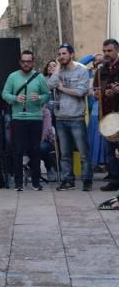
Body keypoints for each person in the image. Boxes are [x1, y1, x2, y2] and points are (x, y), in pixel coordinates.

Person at [2, 50, 51, 191]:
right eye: (23, 61)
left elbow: (47, 94)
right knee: (17, 151)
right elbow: (5, 94)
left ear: (33, 62)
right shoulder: (12, 76)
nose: (26, 64)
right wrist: (14, 98)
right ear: (20, 62)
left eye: (29, 61)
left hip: (35, 118)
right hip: (18, 118)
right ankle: (18, 182)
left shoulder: (39, 77)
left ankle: (36, 182)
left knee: (35, 150)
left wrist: (40, 98)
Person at [50, 44, 91, 191]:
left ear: (72, 54)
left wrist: (62, 89)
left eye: (64, 54)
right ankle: (68, 180)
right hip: (60, 118)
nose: (61, 56)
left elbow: (81, 92)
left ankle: (87, 180)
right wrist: (57, 70)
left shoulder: (82, 70)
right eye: (59, 54)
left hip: (76, 118)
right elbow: (50, 85)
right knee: (65, 153)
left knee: (83, 153)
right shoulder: (59, 70)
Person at [96, 39, 119, 192]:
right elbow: (96, 89)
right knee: (110, 151)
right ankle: (115, 180)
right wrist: (98, 93)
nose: (106, 54)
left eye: (109, 51)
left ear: (116, 50)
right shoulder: (101, 70)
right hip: (108, 116)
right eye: (104, 51)